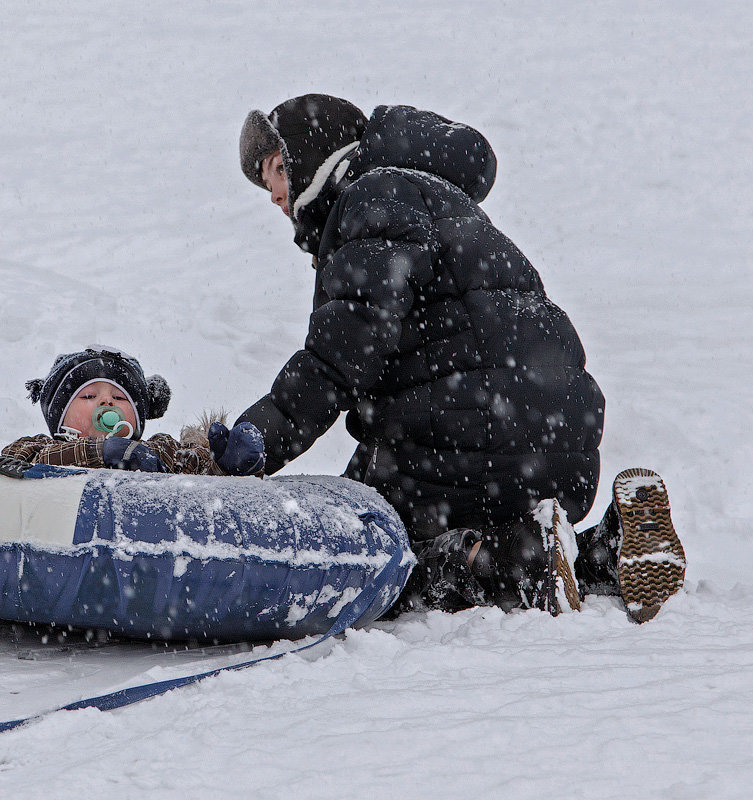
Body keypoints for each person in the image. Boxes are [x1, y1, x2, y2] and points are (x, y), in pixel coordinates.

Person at [235, 94, 685, 621]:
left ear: (314, 159)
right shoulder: (437, 200)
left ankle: (518, 562)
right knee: (475, 518)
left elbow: (340, 355)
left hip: (467, 435)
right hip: (556, 438)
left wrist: (254, 440)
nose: (274, 195)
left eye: (277, 171)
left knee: (370, 553)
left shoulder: (372, 200)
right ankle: (604, 551)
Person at [2, 345, 267, 477]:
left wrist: (224, 466)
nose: (107, 402)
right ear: (59, 417)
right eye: (89, 395)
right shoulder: (42, 448)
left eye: (119, 397)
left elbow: (197, 486)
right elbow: (17, 460)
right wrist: (100, 452)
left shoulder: (163, 451)